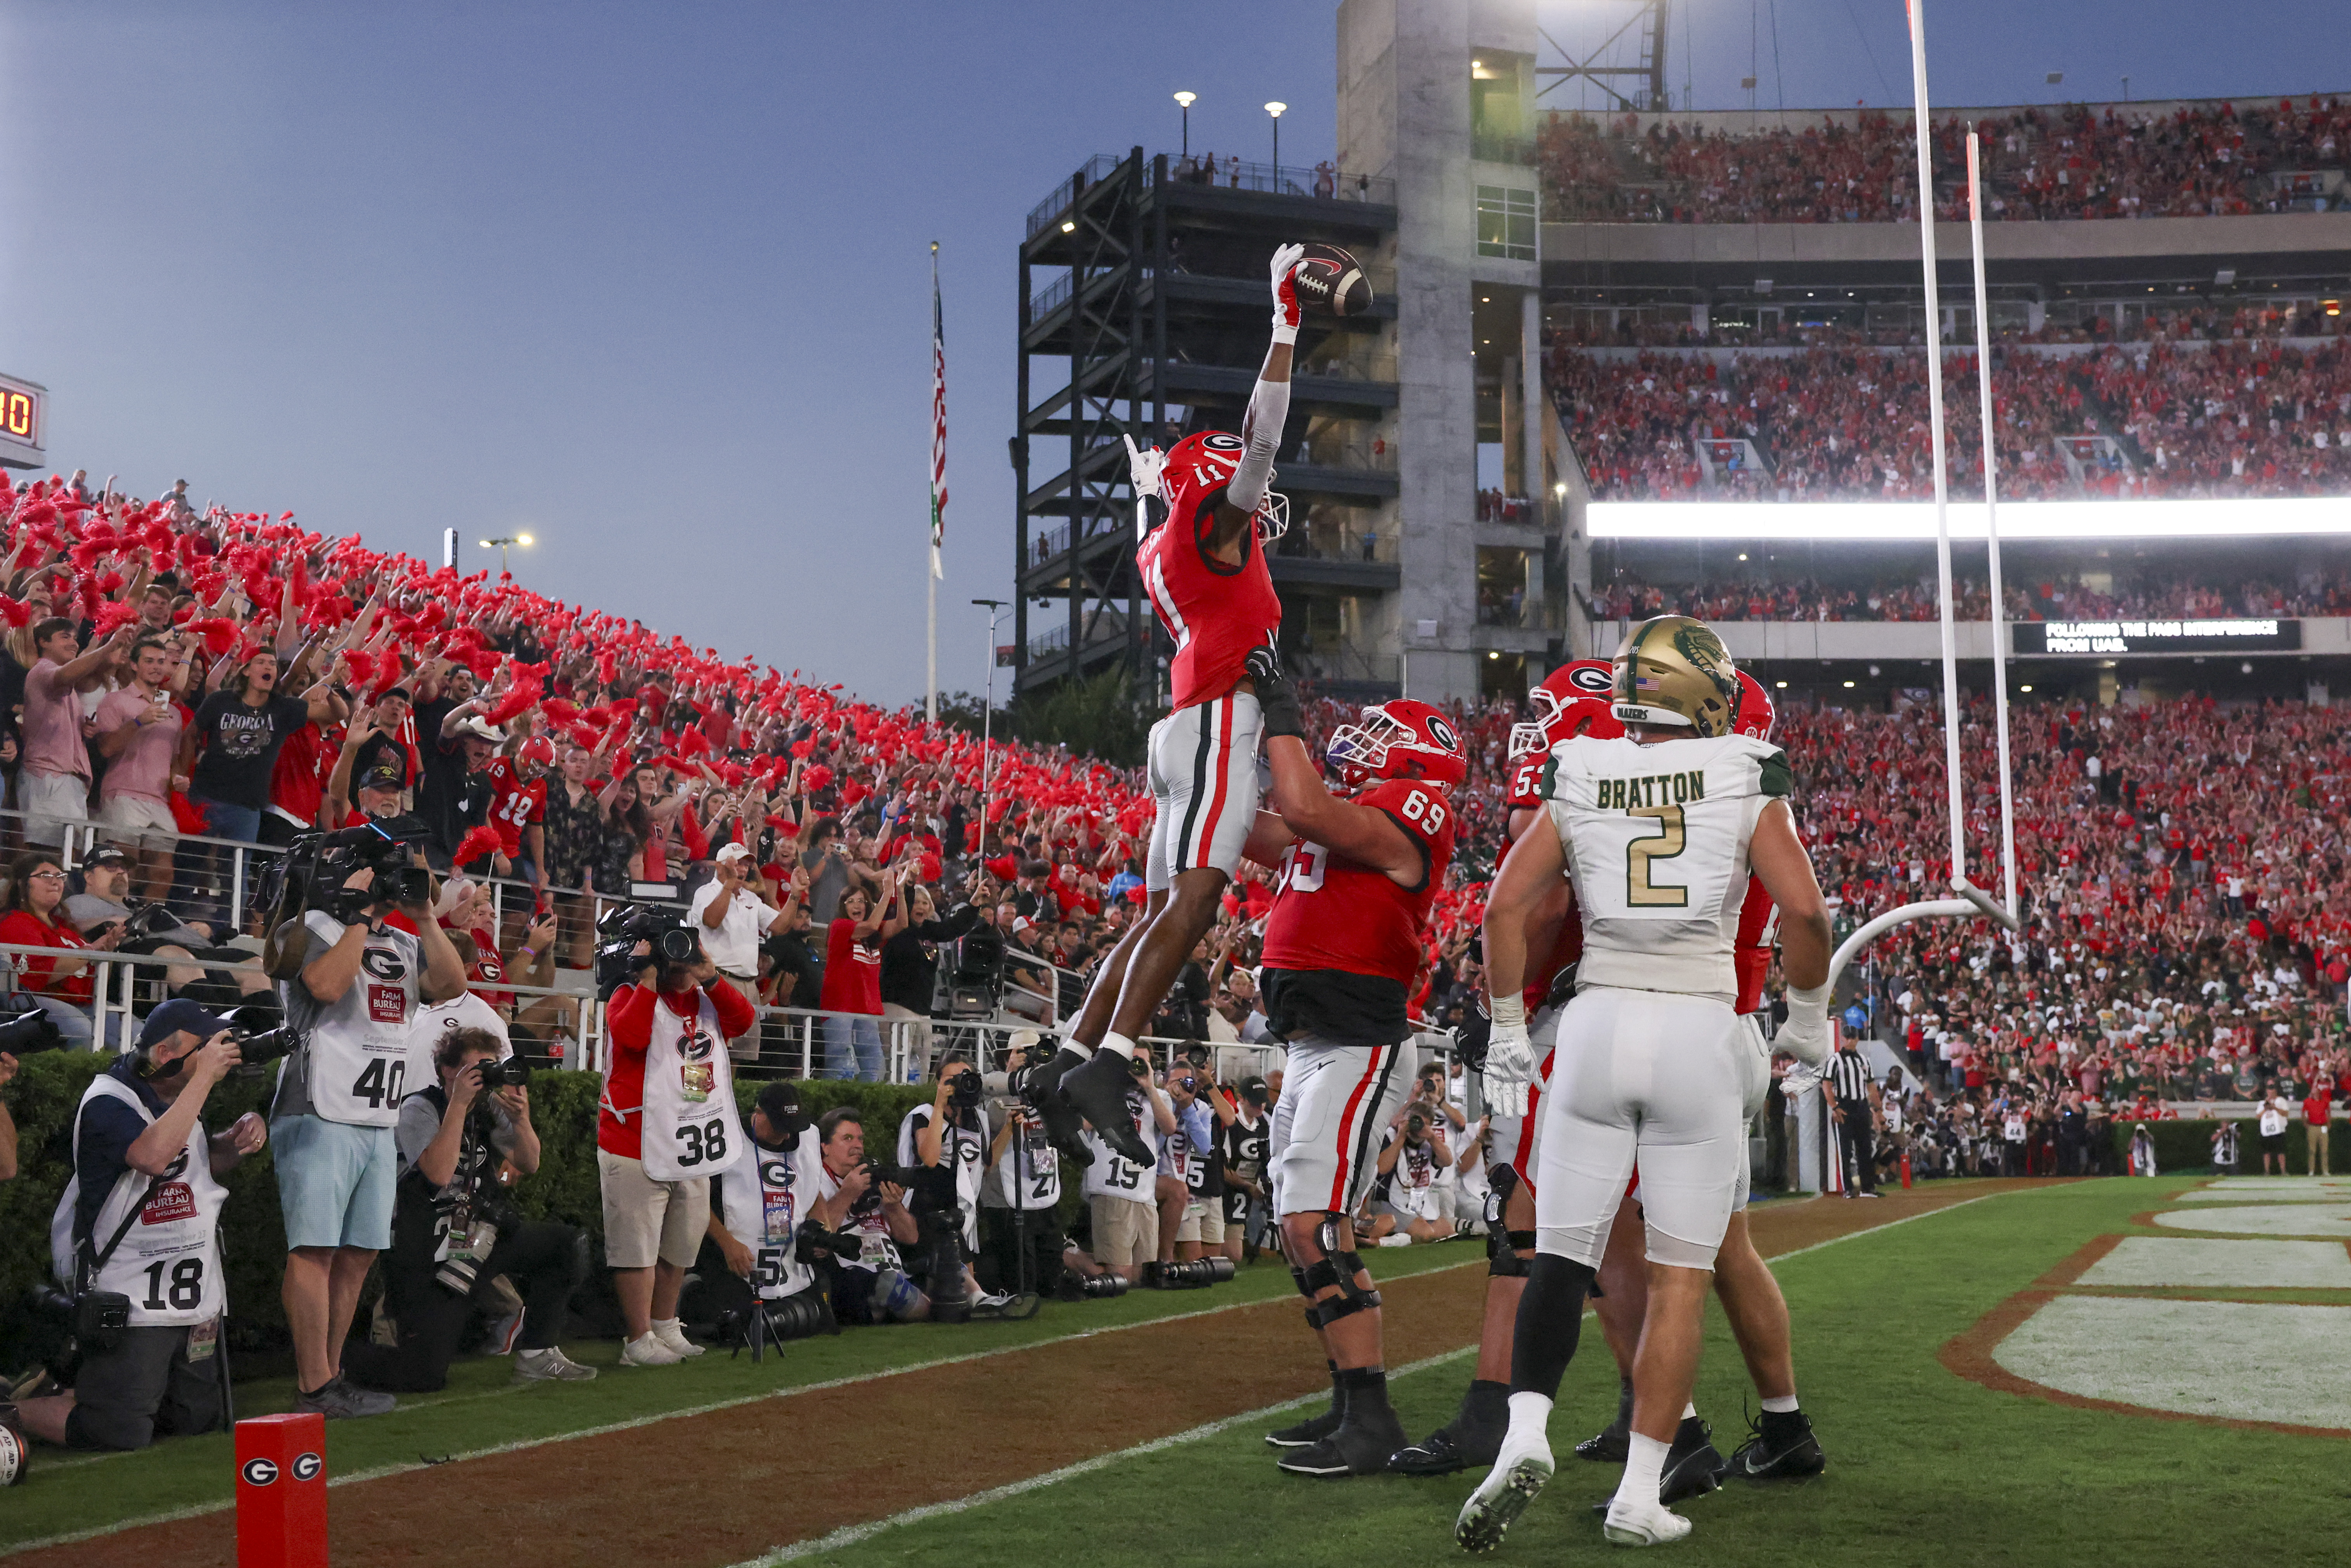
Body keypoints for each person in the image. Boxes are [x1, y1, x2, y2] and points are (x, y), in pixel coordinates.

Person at [1460, 614, 1832, 1548]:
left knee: (1558, 1255)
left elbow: (1505, 904)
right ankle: (1638, 1487)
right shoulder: (1748, 768)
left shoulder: (1578, 764)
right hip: (1696, 1026)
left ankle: (1522, 1435)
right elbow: (1804, 910)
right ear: (1703, 688)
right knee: (1676, 1278)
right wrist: (1808, 1018)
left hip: (1591, 1023)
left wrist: (1508, 1030)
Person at [1035, 242, 1306, 1160]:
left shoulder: (1164, 541)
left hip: (1186, 714)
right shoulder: (1221, 524)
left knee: (1157, 913)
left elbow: (1169, 515)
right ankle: (1110, 1059)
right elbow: (1259, 440)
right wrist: (1281, 330)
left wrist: (1154, 488)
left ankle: (1066, 1057)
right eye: (1247, 491)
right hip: (1217, 714)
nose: (1262, 508)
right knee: (1196, 898)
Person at [1242, 653, 1464, 1478]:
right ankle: (1350, 1400)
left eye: (1382, 734)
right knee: (1301, 1227)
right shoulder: (1348, 816)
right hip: (1308, 1041)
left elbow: (1298, 804)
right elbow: (1256, 828)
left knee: (1315, 1224)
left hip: (1360, 1040)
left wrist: (1278, 708)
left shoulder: (1414, 810)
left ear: (1415, 762)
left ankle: (1372, 1421)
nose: (1363, 741)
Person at [269, 854, 469, 1419]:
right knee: (314, 1248)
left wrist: (427, 916)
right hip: (318, 1107)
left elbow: (452, 984)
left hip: (377, 1114)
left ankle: (330, 1376)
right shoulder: (306, 928)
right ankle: (313, 1384)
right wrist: (356, 916)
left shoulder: (402, 943)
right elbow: (327, 986)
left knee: (357, 1255)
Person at [21, 1001, 266, 1450]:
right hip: (134, 1293)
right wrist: (204, 1081)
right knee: (117, 1429)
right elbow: (151, 1157)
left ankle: (76, 1385)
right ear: (163, 1052)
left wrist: (234, 1141)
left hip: (191, 1294)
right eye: (205, 1045)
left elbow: (189, 1158)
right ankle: (13, 1412)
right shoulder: (108, 1100)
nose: (218, 1053)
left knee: (196, 1419)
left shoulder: (177, 1094)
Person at [343, 1027, 594, 1390]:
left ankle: (537, 1354)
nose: (484, 1076)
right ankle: (339, 1362)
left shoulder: (488, 1106)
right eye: (474, 1068)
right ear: (448, 1070)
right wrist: (458, 1104)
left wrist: (522, 1120)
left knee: (566, 1245)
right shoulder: (419, 1108)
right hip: (429, 1251)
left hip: (480, 1238)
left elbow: (531, 1161)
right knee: (422, 1375)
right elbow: (439, 1173)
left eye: (489, 1066)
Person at [597, 921, 754, 1364]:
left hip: (689, 1141)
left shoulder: (705, 999)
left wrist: (711, 974)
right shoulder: (626, 995)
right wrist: (646, 977)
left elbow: (744, 1021)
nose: (680, 958)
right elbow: (632, 1036)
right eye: (672, 951)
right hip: (635, 1144)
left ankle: (666, 1324)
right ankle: (638, 1338)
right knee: (637, 1248)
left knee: (680, 1243)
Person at [699, 1081, 835, 1340]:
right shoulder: (725, 1136)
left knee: (816, 1315)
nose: (786, 1135)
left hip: (788, 1262)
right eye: (779, 1126)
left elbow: (813, 1190)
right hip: (734, 1261)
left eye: (791, 1127)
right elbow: (694, 1199)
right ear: (758, 1113)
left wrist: (819, 1229)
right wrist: (727, 1243)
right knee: (741, 1326)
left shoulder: (805, 1138)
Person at [807, 1106, 931, 1324]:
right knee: (889, 1284)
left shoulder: (870, 1174)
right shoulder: (816, 1182)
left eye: (860, 1139)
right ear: (824, 1147)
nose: (858, 1146)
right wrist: (847, 1193)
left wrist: (894, 1207)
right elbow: (819, 1238)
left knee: (948, 1263)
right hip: (855, 1281)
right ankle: (939, 1311)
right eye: (847, 1138)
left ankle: (978, 1300)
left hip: (895, 1272)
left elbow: (911, 1237)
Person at [18, 619, 132, 848]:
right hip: (48, 775)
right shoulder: (42, 670)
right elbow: (64, 676)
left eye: (74, 638)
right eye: (65, 637)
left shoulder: (67, 690)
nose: (73, 643)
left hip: (67, 779)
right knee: (45, 855)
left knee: (69, 859)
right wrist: (109, 647)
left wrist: (82, 729)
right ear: (43, 642)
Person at [0, 849, 130, 1048]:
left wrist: (106, 951)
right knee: (82, 1031)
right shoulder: (16, 921)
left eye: (60, 876)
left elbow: (93, 978)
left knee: (134, 1032)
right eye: (45, 876)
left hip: (82, 1003)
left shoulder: (65, 926)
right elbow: (42, 972)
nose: (55, 882)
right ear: (22, 884)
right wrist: (92, 950)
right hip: (35, 1000)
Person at [91, 636, 188, 893]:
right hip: (122, 793)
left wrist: (179, 778)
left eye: (161, 661)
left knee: (163, 870)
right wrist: (137, 722)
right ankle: (119, 919)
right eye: (149, 661)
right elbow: (107, 748)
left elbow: (174, 759)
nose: (157, 667)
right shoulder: (115, 701)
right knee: (125, 865)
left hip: (159, 800)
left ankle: (152, 922)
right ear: (134, 665)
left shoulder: (175, 713)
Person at [690, 843, 801, 1060]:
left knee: (739, 1056)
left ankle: (729, 1095)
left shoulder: (750, 898)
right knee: (705, 1052)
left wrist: (795, 894)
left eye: (747, 865)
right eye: (738, 863)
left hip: (749, 986)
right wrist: (729, 885)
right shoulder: (705, 892)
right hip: (717, 981)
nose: (744, 869)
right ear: (721, 866)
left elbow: (780, 926)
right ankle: (696, 1095)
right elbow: (712, 921)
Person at [1081, 1050, 1172, 1284]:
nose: (1135, 1067)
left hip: (1144, 1194)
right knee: (1119, 1277)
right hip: (1110, 1190)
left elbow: (1170, 1128)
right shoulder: (1102, 1091)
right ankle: (1073, 1258)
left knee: (1143, 1276)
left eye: (1142, 1062)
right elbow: (1083, 1127)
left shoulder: (1159, 1096)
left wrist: (1150, 1088)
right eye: (1130, 1061)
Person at [820, 875, 903, 1080]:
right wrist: (886, 894)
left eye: (861, 901)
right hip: (840, 1007)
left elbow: (902, 923)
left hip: (868, 1009)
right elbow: (871, 927)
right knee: (841, 1065)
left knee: (874, 1064)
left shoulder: (873, 936)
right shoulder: (839, 926)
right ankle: (833, 1109)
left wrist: (899, 892)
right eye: (850, 901)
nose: (857, 905)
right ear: (843, 907)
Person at [1826, 1036, 1880, 1197]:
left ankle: (1867, 1187)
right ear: (1843, 1039)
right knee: (1845, 1149)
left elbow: (1871, 1085)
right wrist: (1835, 1107)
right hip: (1845, 1105)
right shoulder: (1835, 1060)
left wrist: (1878, 1109)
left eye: (1854, 1038)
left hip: (1862, 1106)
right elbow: (1826, 1085)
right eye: (1848, 1038)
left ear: (1858, 1039)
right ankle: (1848, 1188)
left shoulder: (1864, 1060)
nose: (1851, 1041)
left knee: (1865, 1147)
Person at [2258, 1087, 2294, 1175]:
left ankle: (2283, 1171)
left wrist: (2275, 1108)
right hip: (2267, 1131)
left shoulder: (2281, 1101)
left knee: (2281, 1152)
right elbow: (2258, 1116)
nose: (2271, 1094)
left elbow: (2286, 1113)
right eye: (2269, 1092)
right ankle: (2267, 1172)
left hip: (2279, 1130)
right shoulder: (2262, 1103)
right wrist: (2266, 1108)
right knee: (2267, 1153)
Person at [2306, 1077, 2333, 1176]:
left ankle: (2325, 1171)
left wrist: (2329, 1123)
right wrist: (2306, 1124)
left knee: (2325, 1150)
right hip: (2313, 1127)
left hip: (2323, 1126)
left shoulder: (2325, 1102)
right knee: (2312, 1151)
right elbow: (2304, 1113)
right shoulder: (2308, 1102)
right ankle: (2311, 1171)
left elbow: (2328, 1112)